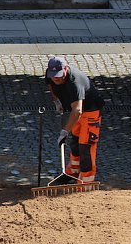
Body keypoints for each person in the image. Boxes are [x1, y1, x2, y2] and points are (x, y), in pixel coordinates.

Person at [44, 56, 105, 184]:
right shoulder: (51, 74)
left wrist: (64, 132)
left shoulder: (75, 82)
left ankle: (86, 181)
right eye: (54, 76)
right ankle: (73, 172)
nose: (56, 78)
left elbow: (77, 110)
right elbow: (50, 85)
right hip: (75, 109)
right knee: (75, 140)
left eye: (59, 75)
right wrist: (57, 101)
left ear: (65, 69)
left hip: (90, 110)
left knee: (86, 145)